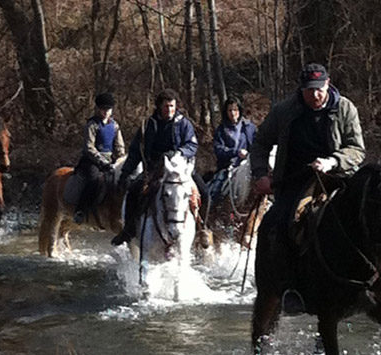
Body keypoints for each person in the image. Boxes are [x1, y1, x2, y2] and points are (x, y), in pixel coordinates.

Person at [249, 63, 366, 307]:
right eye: (309, 90)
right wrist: (260, 174)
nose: (315, 95)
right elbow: (260, 143)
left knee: (374, 215)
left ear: (328, 83)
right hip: (295, 181)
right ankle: (289, 286)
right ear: (300, 90)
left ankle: (380, 278)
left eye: (319, 89)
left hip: (337, 177)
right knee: (280, 225)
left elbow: (357, 149)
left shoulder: (345, 108)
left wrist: (332, 161)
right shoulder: (284, 111)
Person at [111, 89, 198, 246]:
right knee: (134, 191)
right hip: (154, 168)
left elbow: (192, 145)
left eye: (172, 106)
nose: (169, 110)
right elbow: (136, 150)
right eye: (166, 106)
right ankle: (129, 230)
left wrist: (180, 152)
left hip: (180, 168)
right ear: (159, 106)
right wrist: (125, 172)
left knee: (204, 191)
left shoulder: (184, 124)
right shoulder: (149, 124)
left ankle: (203, 229)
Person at [73, 92, 125, 224]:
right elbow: (89, 147)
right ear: (98, 109)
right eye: (103, 109)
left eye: (108, 110)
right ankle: (81, 210)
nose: (106, 112)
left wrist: (121, 160)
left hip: (110, 160)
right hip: (92, 161)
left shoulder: (114, 126)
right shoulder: (92, 125)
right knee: (93, 179)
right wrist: (102, 161)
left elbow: (119, 146)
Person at [207, 95, 257, 201]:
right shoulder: (221, 130)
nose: (233, 113)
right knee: (215, 192)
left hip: (249, 165)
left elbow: (257, 144)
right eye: (230, 110)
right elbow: (218, 150)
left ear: (239, 110)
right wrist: (235, 152)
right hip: (228, 167)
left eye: (235, 109)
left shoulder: (249, 127)